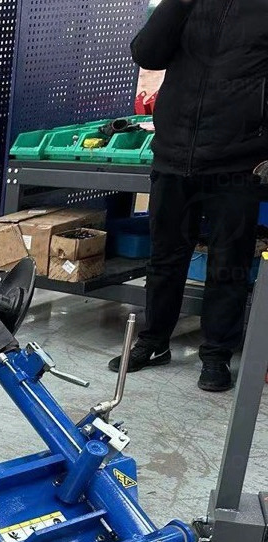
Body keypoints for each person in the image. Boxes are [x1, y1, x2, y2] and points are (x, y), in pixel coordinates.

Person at [114, 0, 268, 392]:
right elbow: (146, 52)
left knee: (228, 263)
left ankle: (216, 354)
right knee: (164, 256)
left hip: (238, 160)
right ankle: (154, 340)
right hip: (173, 153)